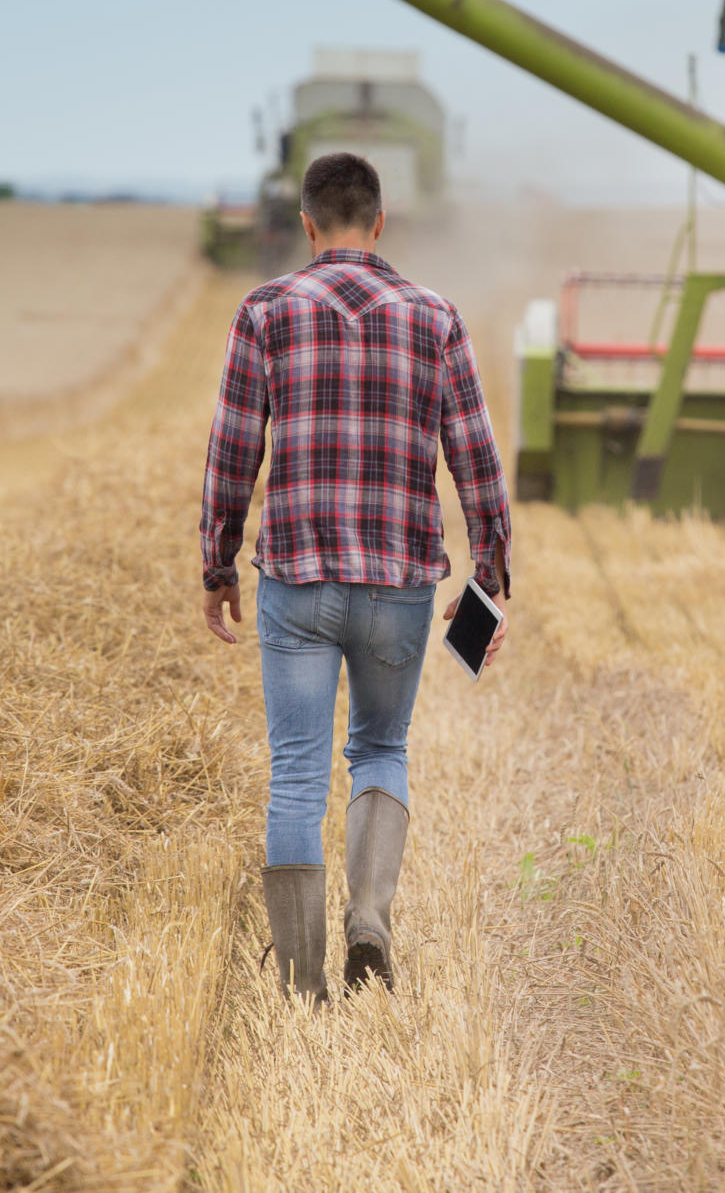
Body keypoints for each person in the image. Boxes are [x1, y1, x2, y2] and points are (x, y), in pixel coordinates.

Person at [198, 150, 511, 1004]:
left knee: (296, 768)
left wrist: (217, 559)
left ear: (307, 224)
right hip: (397, 581)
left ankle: (303, 984)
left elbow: (234, 449)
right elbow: (474, 453)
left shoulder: (265, 311)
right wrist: (492, 564)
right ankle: (368, 918)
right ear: (380, 222)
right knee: (380, 748)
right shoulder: (434, 316)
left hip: (296, 576)